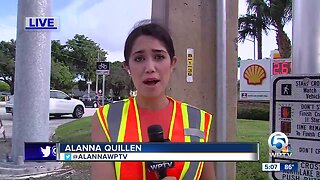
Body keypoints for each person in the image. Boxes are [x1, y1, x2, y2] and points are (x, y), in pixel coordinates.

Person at [91, 21, 216, 180]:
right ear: (127, 67)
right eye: (139, 59)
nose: (150, 67)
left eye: (159, 57)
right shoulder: (106, 119)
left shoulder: (198, 120)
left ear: (172, 64)